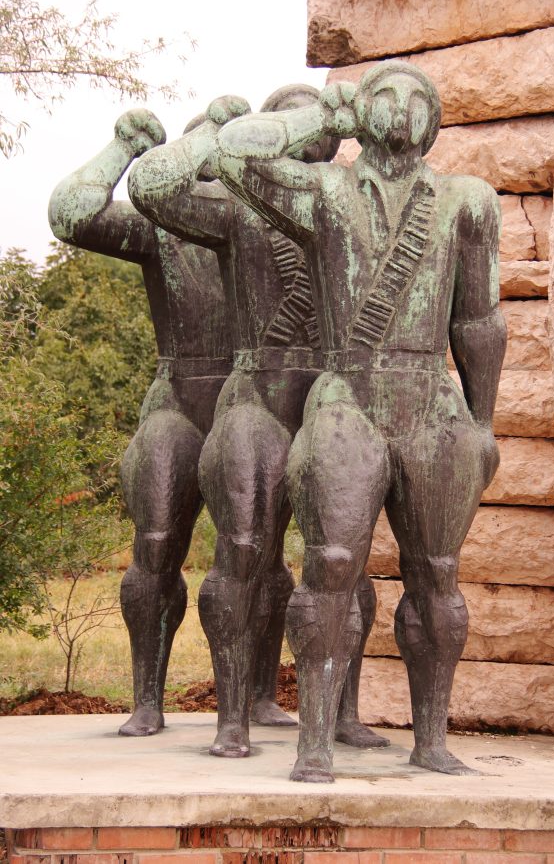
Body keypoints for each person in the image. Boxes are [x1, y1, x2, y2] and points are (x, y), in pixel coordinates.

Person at [215, 62, 507, 782]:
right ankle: (314, 741)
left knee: (437, 573)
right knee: (332, 565)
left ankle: (431, 740)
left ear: (433, 121)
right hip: (348, 394)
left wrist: (484, 419)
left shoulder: (467, 201)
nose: (401, 110)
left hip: (430, 402)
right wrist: (326, 120)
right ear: (361, 112)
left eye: (417, 99)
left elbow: (479, 319)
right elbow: (235, 154)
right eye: (385, 96)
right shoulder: (323, 192)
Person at [128, 86, 389, 758]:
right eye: (296, 121)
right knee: (242, 549)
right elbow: (155, 187)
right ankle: (232, 717)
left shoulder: (347, 205)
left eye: (328, 127)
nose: (317, 136)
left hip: (331, 393)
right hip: (258, 396)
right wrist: (251, 122)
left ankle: (340, 712)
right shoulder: (238, 208)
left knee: (347, 561)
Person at [48, 105, 294, 737]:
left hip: (258, 402)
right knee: (155, 542)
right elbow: (70, 215)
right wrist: (121, 146)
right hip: (182, 396)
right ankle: (147, 698)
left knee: (258, 552)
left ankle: (260, 695)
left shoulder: (276, 224)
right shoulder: (165, 226)